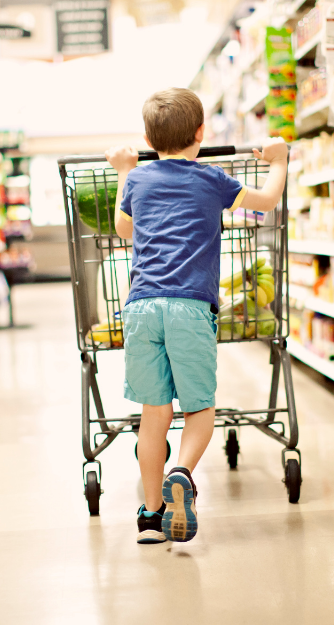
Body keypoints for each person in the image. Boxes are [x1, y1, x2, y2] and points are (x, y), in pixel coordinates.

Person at [104, 88, 288, 545]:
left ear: (148, 137)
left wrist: (126, 171)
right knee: (199, 408)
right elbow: (266, 202)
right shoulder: (213, 179)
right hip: (190, 307)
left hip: (142, 308)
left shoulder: (141, 181)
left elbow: (123, 228)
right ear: (201, 133)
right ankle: (181, 471)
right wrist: (280, 161)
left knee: (154, 415)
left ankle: (150, 516)